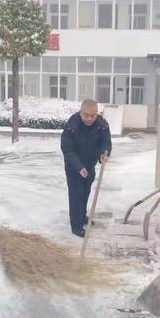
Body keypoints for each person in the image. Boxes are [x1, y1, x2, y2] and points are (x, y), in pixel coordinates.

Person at [61, 99, 112, 238]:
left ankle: (82, 216)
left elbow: (106, 142)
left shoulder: (101, 124)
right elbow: (67, 149)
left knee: (85, 192)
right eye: (86, 115)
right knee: (76, 195)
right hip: (74, 166)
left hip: (90, 164)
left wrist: (104, 154)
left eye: (93, 115)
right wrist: (79, 167)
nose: (90, 118)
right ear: (80, 112)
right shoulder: (72, 125)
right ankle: (76, 226)